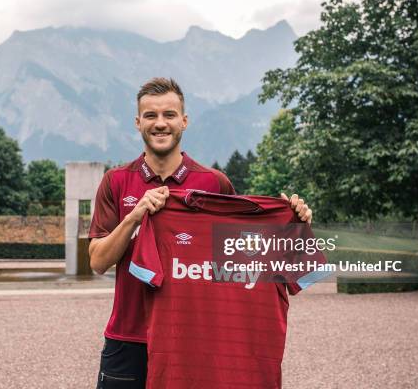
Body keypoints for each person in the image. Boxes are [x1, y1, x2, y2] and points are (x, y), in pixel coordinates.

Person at [88, 77, 312, 388]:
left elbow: (239, 258)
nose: (160, 123)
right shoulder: (115, 181)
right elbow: (97, 262)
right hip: (129, 338)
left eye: (169, 114)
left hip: (191, 340)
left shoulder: (214, 183)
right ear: (138, 122)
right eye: (151, 116)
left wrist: (292, 224)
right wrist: (134, 218)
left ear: (184, 120)